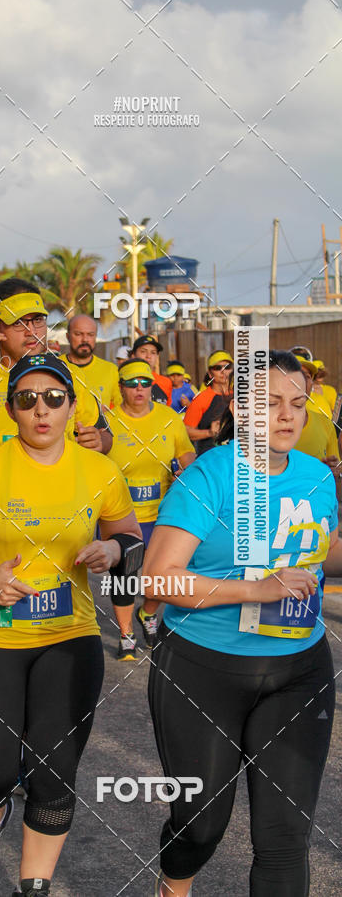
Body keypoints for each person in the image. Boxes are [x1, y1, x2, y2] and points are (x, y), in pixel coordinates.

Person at [0, 354, 139, 897]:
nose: (40, 409)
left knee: (52, 768)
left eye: (53, 398)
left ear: (72, 406)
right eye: (26, 399)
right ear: (11, 408)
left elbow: (131, 535)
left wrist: (113, 548)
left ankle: (34, 884)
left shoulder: (99, 470)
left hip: (69, 638)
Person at [144, 350, 339, 897]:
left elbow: (320, 551)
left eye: (298, 404)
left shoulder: (316, 476)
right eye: (271, 402)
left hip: (299, 669)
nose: (287, 415)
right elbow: (158, 580)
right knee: (201, 823)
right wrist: (257, 589)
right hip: (203, 669)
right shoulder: (210, 475)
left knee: (284, 840)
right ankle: (174, 883)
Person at [0, 278, 113, 463]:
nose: (32, 331)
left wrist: (98, 441)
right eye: (19, 323)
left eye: (38, 320)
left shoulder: (69, 373)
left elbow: (105, 434)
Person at [106, 359, 195, 657]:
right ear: (121, 388)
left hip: (162, 512)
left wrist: (187, 473)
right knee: (125, 576)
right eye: (132, 383)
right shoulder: (108, 422)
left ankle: (148, 613)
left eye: (145, 383)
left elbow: (186, 454)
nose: (140, 389)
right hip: (121, 515)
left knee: (163, 574)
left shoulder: (170, 418)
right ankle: (126, 634)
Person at [61, 314, 121, 410]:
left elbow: (122, 408)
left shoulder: (111, 370)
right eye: (78, 334)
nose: (85, 339)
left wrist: (108, 414)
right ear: (68, 337)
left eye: (90, 334)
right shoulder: (56, 367)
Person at [184, 350, 233, 455]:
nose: (223, 371)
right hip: (211, 459)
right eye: (218, 368)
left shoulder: (242, 395)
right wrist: (209, 433)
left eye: (227, 367)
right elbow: (185, 431)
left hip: (237, 460)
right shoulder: (202, 398)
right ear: (210, 374)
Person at [130, 335, 172, 405]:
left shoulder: (166, 383)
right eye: (143, 351)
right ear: (133, 355)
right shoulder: (125, 382)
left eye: (153, 352)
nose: (148, 356)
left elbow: (167, 412)